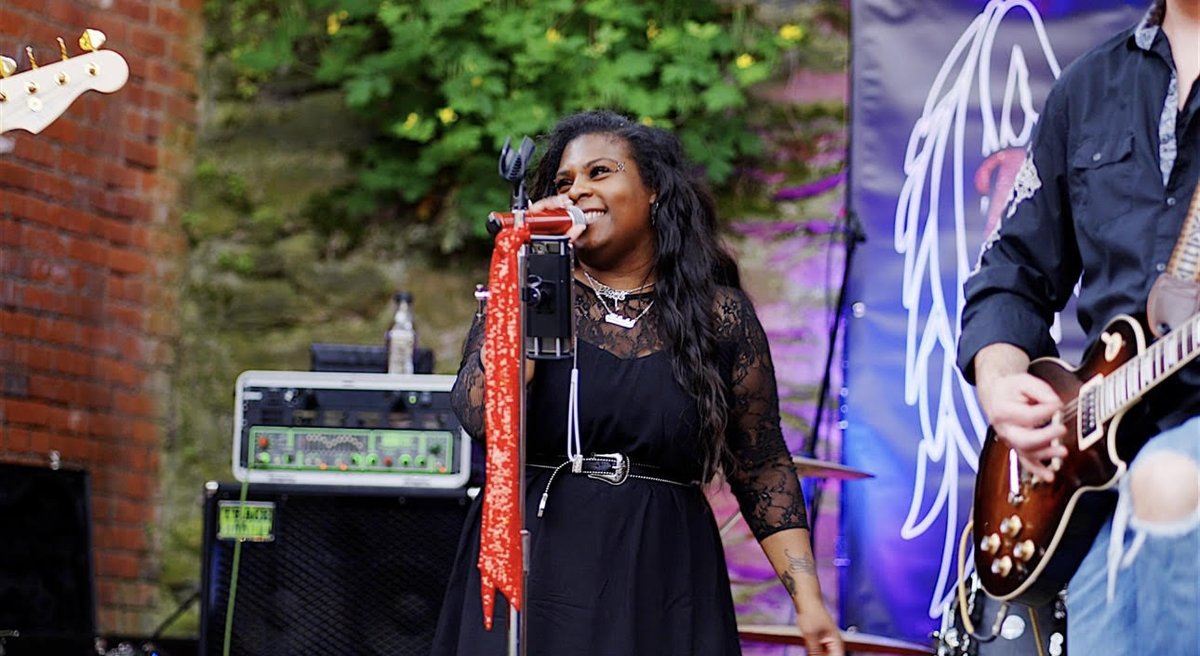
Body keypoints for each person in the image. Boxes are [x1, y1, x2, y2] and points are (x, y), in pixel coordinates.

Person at [431, 110, 844, 655]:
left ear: (653, 191)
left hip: (664, 575)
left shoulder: (716, 317)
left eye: (599, 172)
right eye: (563, 182)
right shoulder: (525, 291)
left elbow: (762, 464)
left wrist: (809, 603)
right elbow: (482, 416)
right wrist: (531, 280)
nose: (578, 189)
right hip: (541, 567)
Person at [957, 0, 1199, 653]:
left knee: (1171, 474)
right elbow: (1015, 265)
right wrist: (1000, 377)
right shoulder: (1090, 85)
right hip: (1096, 475)